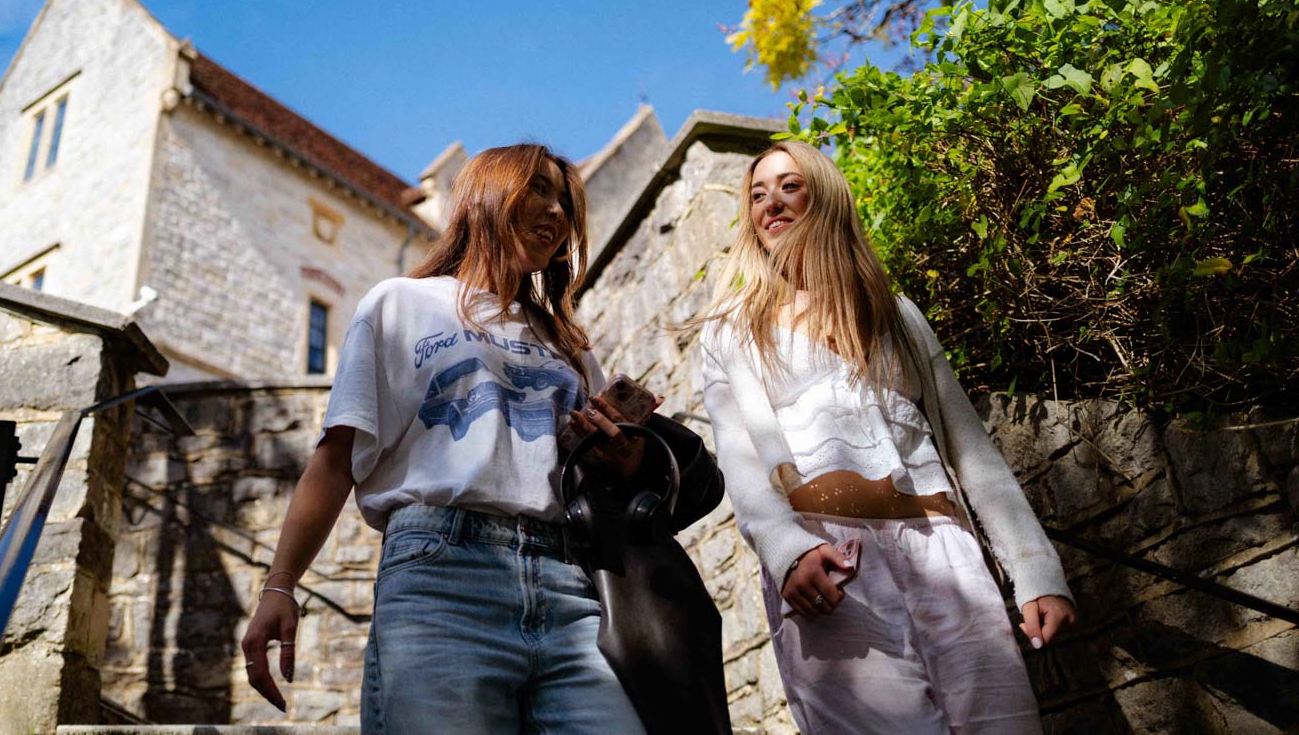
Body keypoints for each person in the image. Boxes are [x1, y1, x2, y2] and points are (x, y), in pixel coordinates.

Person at [240, 143, 647, 734]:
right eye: (539, 190)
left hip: (569, 582)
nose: (557, 212)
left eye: (566, 202)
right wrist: (279, 586)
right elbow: (334, 461)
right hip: (441, 575)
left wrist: (620, 448)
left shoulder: (570, 345)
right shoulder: (399, 303)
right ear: (486, 194)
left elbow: (595, 478)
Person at [696, 140, 1076, 735]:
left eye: (789, 185)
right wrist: (785, 548)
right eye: (757, 194)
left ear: (824, 196)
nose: (771, 202)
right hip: (829, 558)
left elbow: (971, 451)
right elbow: (741, 460)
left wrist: (1036, 572)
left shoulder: (895, 314)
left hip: (945, 549)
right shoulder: (731, 329)